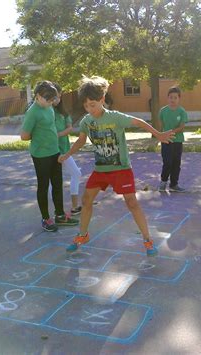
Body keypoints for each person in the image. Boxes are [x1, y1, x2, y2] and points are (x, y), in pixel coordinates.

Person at [58, 75, 175, 256]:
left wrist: (158, 134)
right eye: (86, 105)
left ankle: (147, 240)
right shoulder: (86, 121)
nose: (90, 109)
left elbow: (139, 122)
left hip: (121, 169)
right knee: (86, 200)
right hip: (101, 170)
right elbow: (81, 141)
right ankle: (83, 235)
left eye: (93, 105)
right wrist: (67, 154)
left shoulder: (115, 117)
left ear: (102, 100)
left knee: (132, 203)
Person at [21, 81, 78, 231]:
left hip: (55, 152)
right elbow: (24, 136)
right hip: (41, 155)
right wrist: (41, 137)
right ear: (38, 96)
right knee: (43, 186)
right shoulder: (33, 112)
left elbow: (51, 126)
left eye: (53, 100)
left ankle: (59, 215)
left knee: (58, 184)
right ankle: (46, 219)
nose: (51, 102)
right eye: (48, 99)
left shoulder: (49, 107)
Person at [52, 83, 82, 215]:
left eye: (59, 96)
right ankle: (53, 211)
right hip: (51, 150)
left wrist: (58, 135)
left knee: (76, 173)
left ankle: (75, 207)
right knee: (52, 181)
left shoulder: (63, 112)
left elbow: (70, 128)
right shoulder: (45, 111)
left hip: (64, 150)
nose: (57, 99)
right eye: (54, 96)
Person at [158, 86, 188, 192]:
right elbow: (161, 126)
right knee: (167, 162)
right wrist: (162, 136)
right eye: (171, 97)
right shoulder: (163, 111)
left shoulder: (182, 111)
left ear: (179, 98)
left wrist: (170, 132)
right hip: (166, 141)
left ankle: (174, 184)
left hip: (177, 141)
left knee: (176, 163)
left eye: (175, 97)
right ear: (168, 98)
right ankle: (163, 182)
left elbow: (182, 127)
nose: (173, 100)